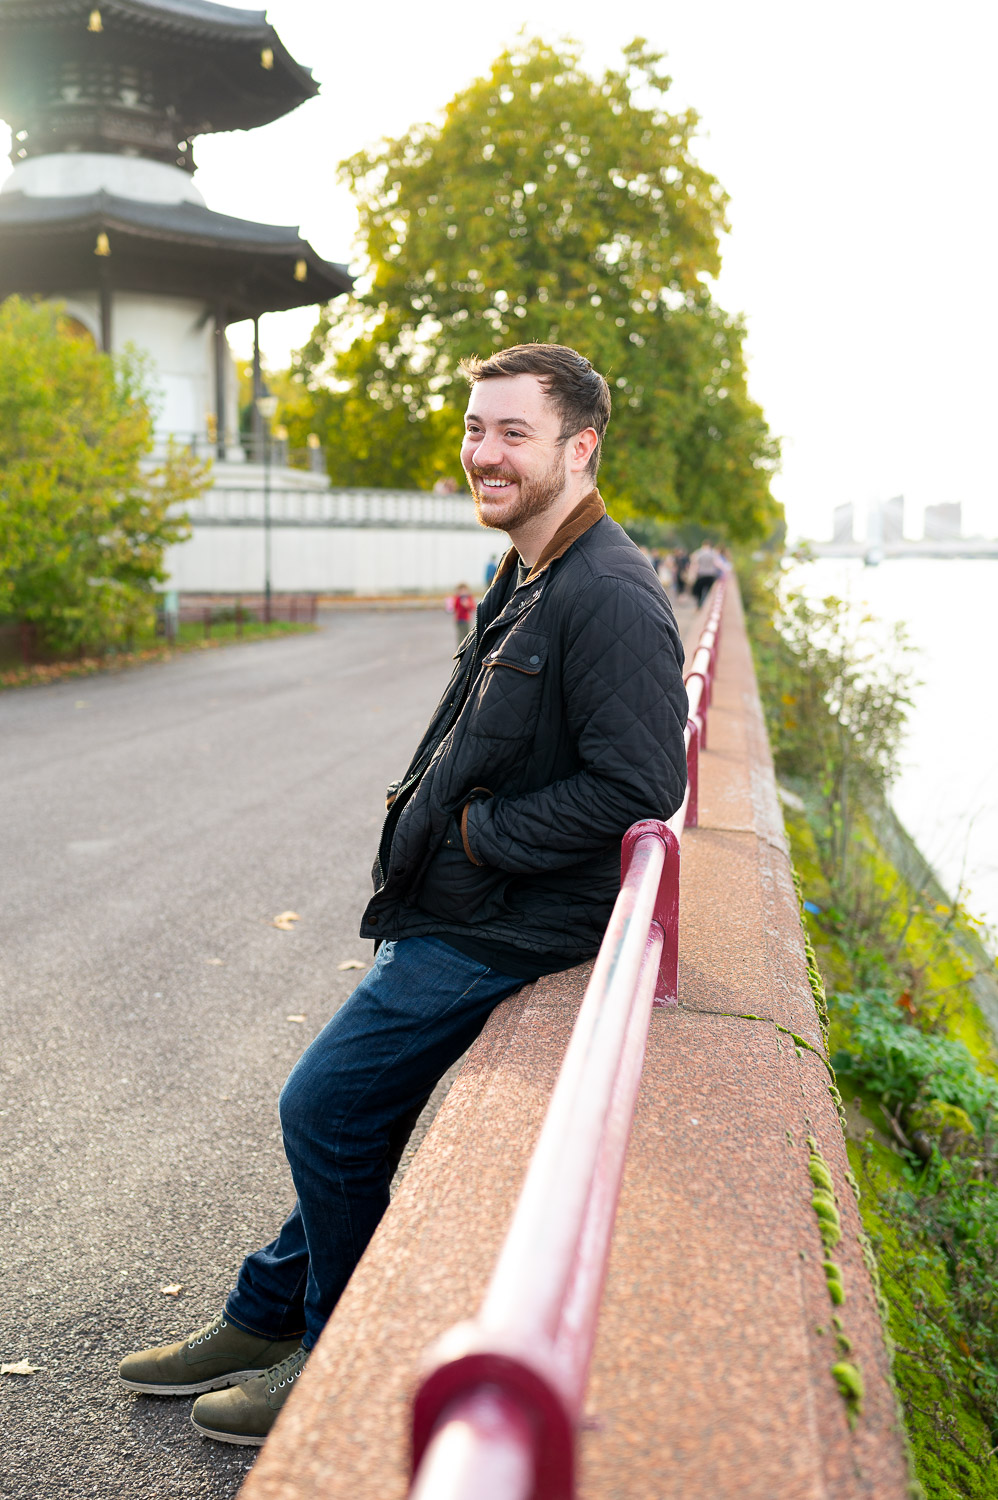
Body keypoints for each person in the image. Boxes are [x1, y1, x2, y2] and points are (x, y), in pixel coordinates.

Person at [118, 343, 688, 1446]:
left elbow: (640, 783)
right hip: (458, 903)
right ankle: (261, 1316)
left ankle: (337, 1357)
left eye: (513, 432)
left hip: (503, 922)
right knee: (355, 1117)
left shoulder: (609, 595)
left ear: (579, 448)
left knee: (324, 1107)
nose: (484, 452)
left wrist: (477, 837)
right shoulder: (525, 570)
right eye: (475, 427)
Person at [689, 540, 723, 606]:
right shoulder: (713, 553)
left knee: (699, 591)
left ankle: (699, 604)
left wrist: (692, 573)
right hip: (711, 575)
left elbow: (694, 563)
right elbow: (718, 564)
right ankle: (705, 604)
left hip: (701, 574)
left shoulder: (699, 552)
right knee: (708, 592)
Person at [447, 582, 476, 646]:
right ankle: (460, 647)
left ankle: (467, 647)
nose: (463, 592)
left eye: (464, 590)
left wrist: (467, 605)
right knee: (460, 635)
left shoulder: (469, 598)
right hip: (459, 619)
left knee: (467, 634)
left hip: (466, 619)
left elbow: (472, 607)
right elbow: (453, 608)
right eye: (461, 590)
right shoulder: (457, 598)